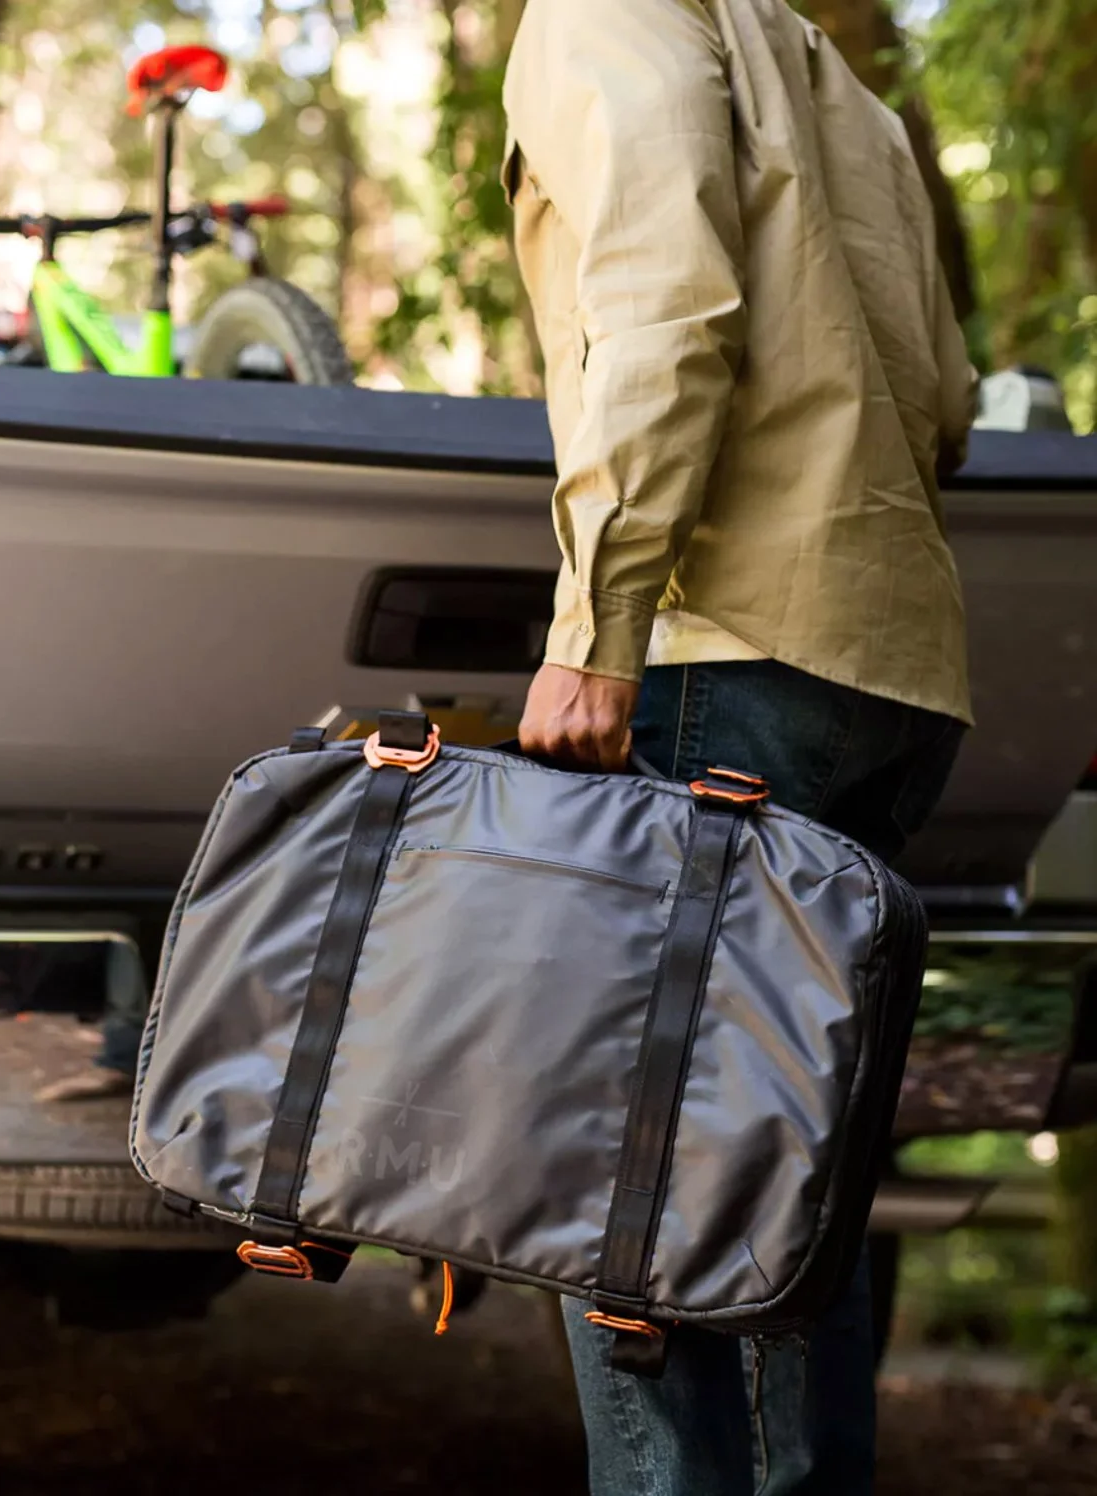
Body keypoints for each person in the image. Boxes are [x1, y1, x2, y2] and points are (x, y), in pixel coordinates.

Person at [505, 1, 975, 1492]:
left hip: (726, 660)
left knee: (624, 1173)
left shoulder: (604, 16)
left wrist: (598, 625)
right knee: (795, 1178)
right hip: (887, 661)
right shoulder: (828, 69)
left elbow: (668, 305)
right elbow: (947, 404)